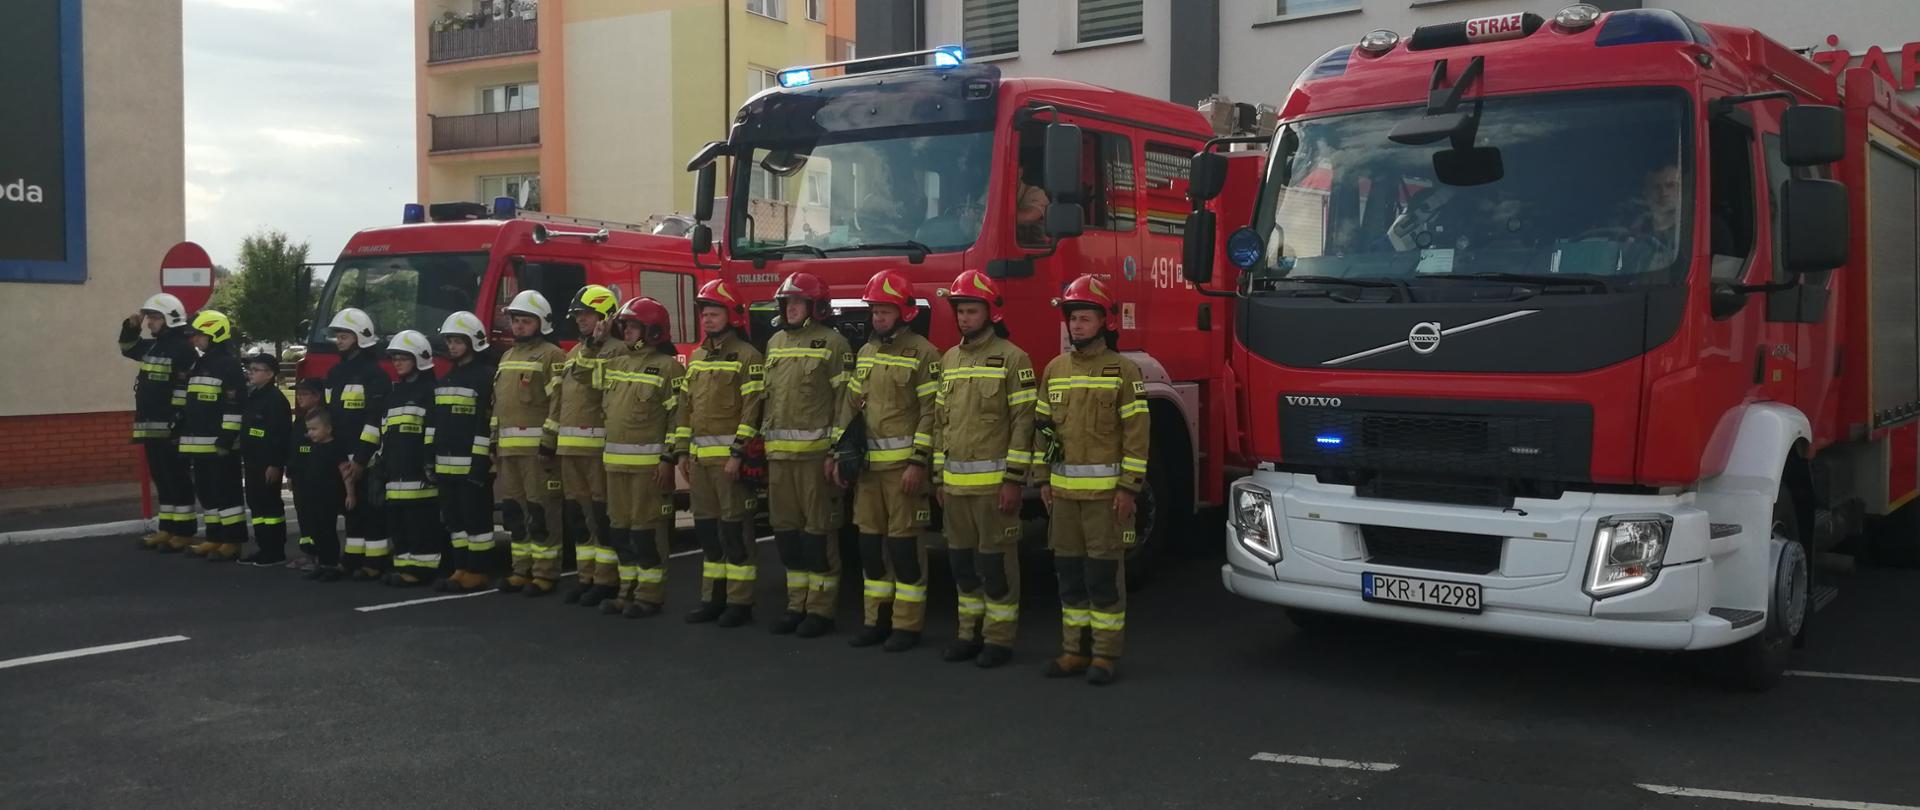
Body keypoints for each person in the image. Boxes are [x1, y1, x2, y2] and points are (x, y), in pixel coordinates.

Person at [1033, 275, 1149, 687]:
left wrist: (1129, 487)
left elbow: (1137, 435)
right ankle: (1073, 651)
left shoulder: (1124, 370)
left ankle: (1104, 655)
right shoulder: (1055, 369)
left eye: (1085, 318)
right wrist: (1042, 478)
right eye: (1073, 319)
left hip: (1105, 500)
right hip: (1064, 498)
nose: (1077, 326)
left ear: (1104, 322)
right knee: (1068, 575)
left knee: (1102, 578)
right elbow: (1043, 430)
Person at [931, 270, 1036, 668]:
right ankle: (967, 634)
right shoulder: (949, 359)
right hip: (955, 489)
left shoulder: (1013, 358)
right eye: (960, 311)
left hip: (995, 489)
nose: (964, 318)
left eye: (972, 311)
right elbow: (940, 424)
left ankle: (998, 639)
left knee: (996, 565)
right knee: (962, 565)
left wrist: (1014, 480)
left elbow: (1024, 424)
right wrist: (939, 478)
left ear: (990, 313)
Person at [842, 269, 941, 652]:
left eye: (885, 311)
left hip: (903, 473)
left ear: (905, 312)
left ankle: (907, 625)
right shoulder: (866, 353)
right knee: (870, 549)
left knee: (904, 550)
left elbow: (931, 413)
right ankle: (876, 620)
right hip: (867, 473)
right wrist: (840, 451)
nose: (878, 317)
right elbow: (851, 407)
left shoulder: (925, 353)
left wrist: (918, 462)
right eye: (874, 311)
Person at [761, 272, 855, 638]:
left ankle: (820, 610)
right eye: (787, 303)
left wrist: (836, 452)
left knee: (818, 537)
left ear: (816, 306)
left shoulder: (834, 344)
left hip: (816, 460)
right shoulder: (774, 343)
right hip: (779, 461)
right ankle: (795, 605)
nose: (791, 308)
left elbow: (844, 404)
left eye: (798, 302)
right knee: (787, 537)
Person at [680, 280, 766, 627]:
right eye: (704, 314)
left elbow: (752, 411)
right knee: (708, 535)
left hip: (730, 464)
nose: (707, 320)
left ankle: (739, 602)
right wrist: (682, 453)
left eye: (714, 313)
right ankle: (712, 599)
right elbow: (685, 409)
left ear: (731, 316)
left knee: (735, 534)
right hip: (700, 463)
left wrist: (738, 454)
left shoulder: (748, 356)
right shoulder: (697, 358)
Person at [598, 297, 689, 618]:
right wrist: (595, 342)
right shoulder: (617, 363)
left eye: (634, 326)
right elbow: (583, 379)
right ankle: (626, 592)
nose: (627, 332)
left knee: (646, 533)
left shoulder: (669, 367)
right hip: (615, 466)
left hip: (648, 470)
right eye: (625, 326)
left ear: (653, 331)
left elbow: (677, 419)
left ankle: (649, 595)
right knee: (620, 531)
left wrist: (668, 459)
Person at [550, 285, 626, 607]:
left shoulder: (619, 351)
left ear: (606, 317)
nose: (580, 320)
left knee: (600, 516)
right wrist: (550, 440)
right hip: (569, 450)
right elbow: (560, 400)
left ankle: (606, 580)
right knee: (579, 518)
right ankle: (586, 577)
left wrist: (594, 346)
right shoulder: (572, 354)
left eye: (587, 314)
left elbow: (593, 383)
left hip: (598, 449)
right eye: (578, 315)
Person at [493, 290, 569, 596]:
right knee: (514, 512)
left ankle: (545, 572)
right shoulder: (507, 357)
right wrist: (494, 441)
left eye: (526, 320)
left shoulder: (553, 355)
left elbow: (559, 402)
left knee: (541, 511)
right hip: (508, 451)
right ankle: (520, 569)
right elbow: (498, 404)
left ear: (542, 323)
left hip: (538, 453)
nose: (519, 326)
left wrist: (549, 441)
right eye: (516, 320)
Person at [120, 293, 201, 552]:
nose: (149, 322)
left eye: (155, 317)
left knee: (177, 478)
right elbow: (128, 348)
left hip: (170, 428)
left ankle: (184, 532)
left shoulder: (182, 349)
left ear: (170, 319)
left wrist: (177, 423)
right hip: (151, 426)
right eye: (150, 317)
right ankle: (167, 529)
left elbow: (184, 390)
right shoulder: (155, 346)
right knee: (162, 479)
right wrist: (131, 327)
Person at [430, 311, 500, 592]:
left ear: (474, 342)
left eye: (458, 341)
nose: (452, 346)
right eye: (449, 341)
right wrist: (430, 458)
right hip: (445, 467)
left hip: (472, 466)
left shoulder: (486, 377)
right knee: (455, 522)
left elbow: (485, 423)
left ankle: (478, 571)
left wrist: (480, 464)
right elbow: (436, 423)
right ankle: (460, 568)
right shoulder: (446, 379)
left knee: (477, 521)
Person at [324, 307, 392, 580]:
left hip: (367, 456)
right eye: (338, 336)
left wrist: (362, 458)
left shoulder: (374, 376)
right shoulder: (335, 373)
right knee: (350, 510)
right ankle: (353, 557)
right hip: (341, 454)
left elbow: (374, 420)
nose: (339, 341)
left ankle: (375, 561)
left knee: (371, 510)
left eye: (344, 336)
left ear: (361, 337)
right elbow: (329, 416)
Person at [176, 310, 248, 562]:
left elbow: (234, 404)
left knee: (227, 494)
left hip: (220, 444)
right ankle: (214, 537)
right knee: (207, 493)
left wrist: (227, 438)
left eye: (199, 335)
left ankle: (232, 541)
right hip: (199, 444)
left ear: (215, 334)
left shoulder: (229, 365)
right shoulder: (201, 363)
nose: (195, 339)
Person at [379, 331, 444, 586]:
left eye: (403, 358)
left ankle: (422, 569)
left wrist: (429, 462)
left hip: (418, 472)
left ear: (420, 358)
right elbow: (385, 431)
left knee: (420, 523)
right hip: (395, 471)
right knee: (398, 524)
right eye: (394, 358)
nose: (397, 363)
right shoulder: (394, 393)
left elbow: (432, 431)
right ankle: (404, 566)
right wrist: (381, 463)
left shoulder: (429, 392)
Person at [237, 353, 291, 567]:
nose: (251, 373)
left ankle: (275, 551)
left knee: (270, 507)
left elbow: (280, 435)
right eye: (250, 369)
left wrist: (275, 464)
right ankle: (263, 547)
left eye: (256, 370)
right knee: (257, 505)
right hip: (252, 461)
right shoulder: (253, 396)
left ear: (270, 374)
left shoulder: (275, 400)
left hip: (267, 463)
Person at [294, 406, 349, 582]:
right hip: (313, 496)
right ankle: (322, 564)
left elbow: (345, 472)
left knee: (327, 531)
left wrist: (350, 494)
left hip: (329, 497)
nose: (310, 433)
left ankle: (332, 565)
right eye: (309, 429)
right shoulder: (315, 447)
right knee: (316, 531)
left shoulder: (335, 447)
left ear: (328, 428)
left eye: (314, 429)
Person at [287, 378, 328, 572]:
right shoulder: (300, 419)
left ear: (317, 396)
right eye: (298, 394)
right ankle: (308, 553)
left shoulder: (324, 419)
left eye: (304, 394)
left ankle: (321, 555)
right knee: (303, 515)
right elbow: (293, 447)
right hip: (300, 475)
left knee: (317, 516)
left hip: (316, 476)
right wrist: (290, 472)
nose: (299, 397)